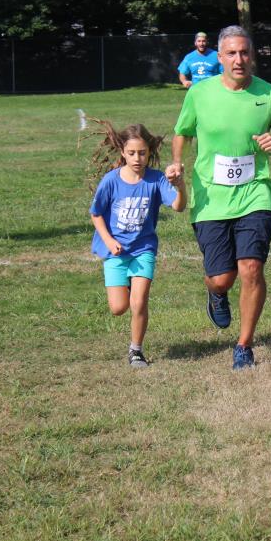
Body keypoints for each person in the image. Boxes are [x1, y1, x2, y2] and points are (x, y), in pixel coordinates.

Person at [166, 25, 271, 370]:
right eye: (231, 53)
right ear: (220, 57)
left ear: (252, 56)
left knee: (252, 268)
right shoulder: (199, 94)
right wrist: (178, 162)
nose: (238, 59)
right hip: (210, 197)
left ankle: (244, 345)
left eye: (244, 52)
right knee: (222, 278)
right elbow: (182, 133)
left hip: (255, 193)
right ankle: (216, 293)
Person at [89, 121, 186, 368]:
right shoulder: (111, 181)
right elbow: (96, 214)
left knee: (139, 302)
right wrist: (109, 241)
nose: (137, 158)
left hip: (143, 249)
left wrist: (180, 185)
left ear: (149, 152)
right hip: (116, 252)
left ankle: (136, 350)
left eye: (142, 153)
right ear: (122, 151)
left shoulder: (156, 179)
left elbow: (179, 206)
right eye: (131, 153)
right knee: (118, 308)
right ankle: (129, 285)